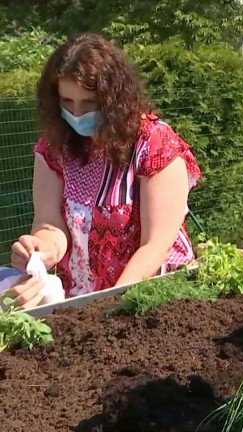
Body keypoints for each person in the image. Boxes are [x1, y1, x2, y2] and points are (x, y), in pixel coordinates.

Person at [3, 33, 201, 309]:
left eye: (89, 104)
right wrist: (42, 250)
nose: (76, 114)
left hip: (155, 296)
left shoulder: (155, 145)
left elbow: (155, 246)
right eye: (67, 102)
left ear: (114, 100)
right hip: (86, 299)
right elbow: (49, 223)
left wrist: (108, 307)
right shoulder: (54, 149)